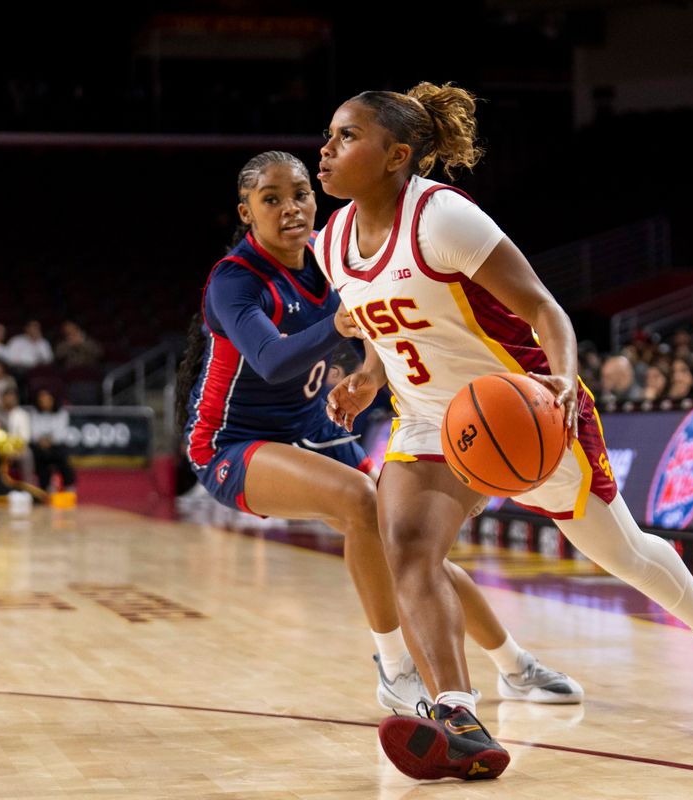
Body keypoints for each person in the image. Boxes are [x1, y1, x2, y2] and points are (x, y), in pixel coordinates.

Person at [319, 83, 693, 782]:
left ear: (396, 155)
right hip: (433, 421)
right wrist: (370, 374)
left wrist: (560, 382)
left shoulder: (442, 219)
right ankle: (458, 717)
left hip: (520, 408)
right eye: (329, 134)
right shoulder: (330, 243)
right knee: (406, 547)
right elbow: (382, 324)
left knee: (624, 555)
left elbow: (543, 307)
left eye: (346, 136)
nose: (327, 148)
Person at [178, 150, 580, 719]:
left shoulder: (330, 253)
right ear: (247, 213)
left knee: (416, 548)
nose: (290, 208)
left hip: (317, 428)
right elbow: (270, 359)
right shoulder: (234, 280)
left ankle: (514, 665)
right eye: (272, 199)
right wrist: (337, 324)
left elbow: (378, 322)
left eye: (300, 195)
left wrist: (369, 370)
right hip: (232, 443)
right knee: (361, 503)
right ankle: (394, 669)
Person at [28, 388, 76, 491]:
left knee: (62, 456)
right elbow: (33, 432)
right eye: (42, 400)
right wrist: (41, 441)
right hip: (39, 445)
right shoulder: (34, 413)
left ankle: (69, 486)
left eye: (47, 399)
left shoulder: (62, 413)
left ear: (53, 400)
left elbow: (61, 433)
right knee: (40, 457)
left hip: (56, 445)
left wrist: (49, 440)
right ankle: (45, 487)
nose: (44, 402)